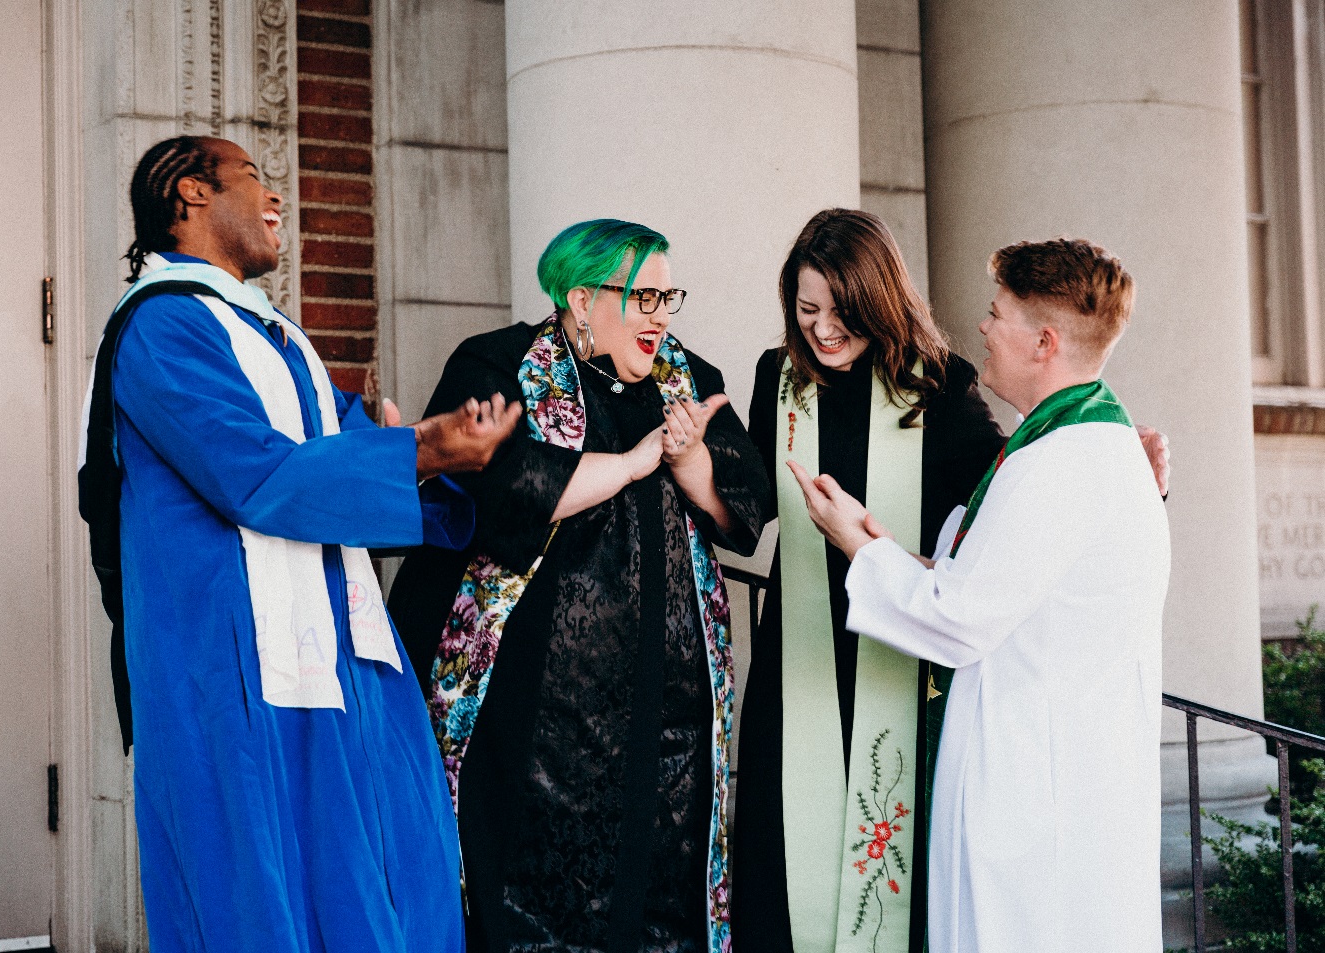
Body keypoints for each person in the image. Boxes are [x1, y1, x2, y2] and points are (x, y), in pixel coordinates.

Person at [78, 135, 518, 953]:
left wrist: (444, 453)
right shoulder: (161, 330)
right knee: (264, 902)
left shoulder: (282, 340)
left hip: (341, 654)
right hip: (237, 671)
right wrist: (421, 450)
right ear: (189, 194)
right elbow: (256, 474)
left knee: (399, 873)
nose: (275, 197)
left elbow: (352, 447)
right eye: (253, 176)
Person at [731, 210, 1170, 953]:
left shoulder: (953, 396)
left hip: (906, 672)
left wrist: (858, 544)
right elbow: (977, 542)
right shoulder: (779, 381)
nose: (823, 329)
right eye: (807, 312)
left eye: (842, 311)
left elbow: (984, 560)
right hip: (802, 664)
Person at [386, 218, 771, 953]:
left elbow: (742, 513)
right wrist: (633, 461)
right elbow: (501, 496)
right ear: (582, 296)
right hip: (533, 719)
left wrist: (690, 462)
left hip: (669, 722)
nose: (661, 315)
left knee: (658, 903)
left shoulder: (691, 383)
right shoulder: (498, 366)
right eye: (643, 296)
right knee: (530, 902)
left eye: (668, 297)